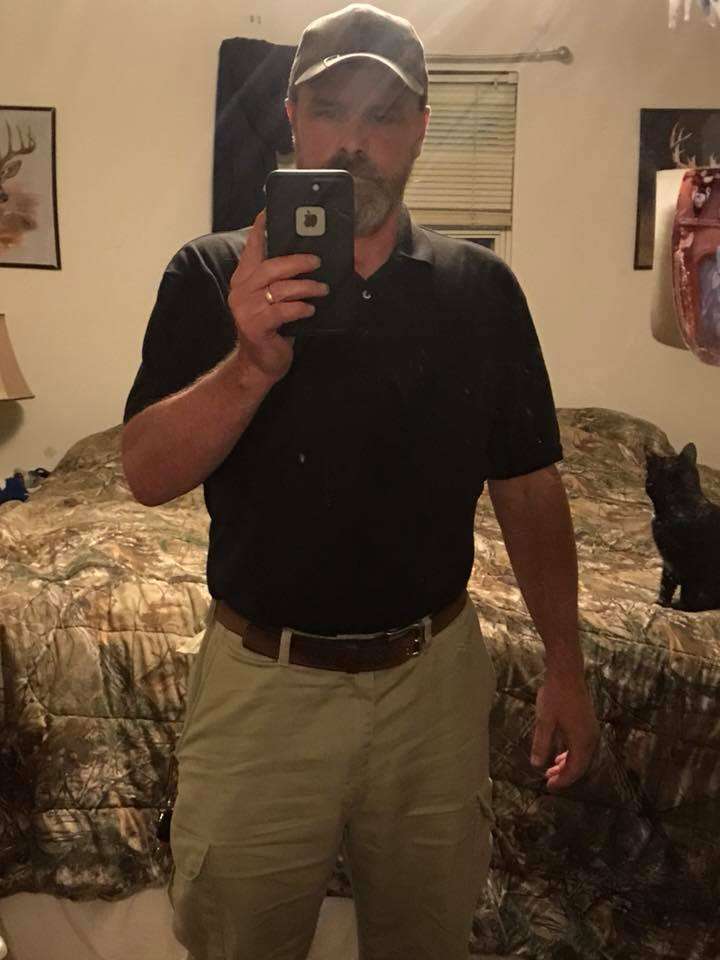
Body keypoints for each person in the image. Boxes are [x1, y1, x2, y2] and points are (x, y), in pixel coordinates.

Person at [121, 4, 600, 958]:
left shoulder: (481, 292)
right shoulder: (213, 274)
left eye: (382, 115)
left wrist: (565, 661)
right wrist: (250, 364)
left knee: (426, 938)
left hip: (433, 687)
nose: (354, 140)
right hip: (263, 689)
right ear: (292, 120)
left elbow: (528, 484)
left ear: (420, 127)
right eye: (331, 109)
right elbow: (143, 473)